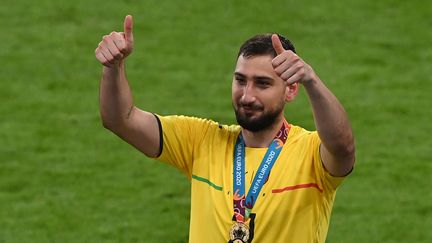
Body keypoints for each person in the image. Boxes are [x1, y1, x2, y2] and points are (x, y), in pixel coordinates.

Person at [95, 15, 355, 243]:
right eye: (241, 80)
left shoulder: (310, 154)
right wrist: (113, 67)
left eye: (262, 84)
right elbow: (121, 119)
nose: (247, 96)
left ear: (290, 89)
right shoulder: (201, 140)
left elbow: (342, 147)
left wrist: (312, 81)